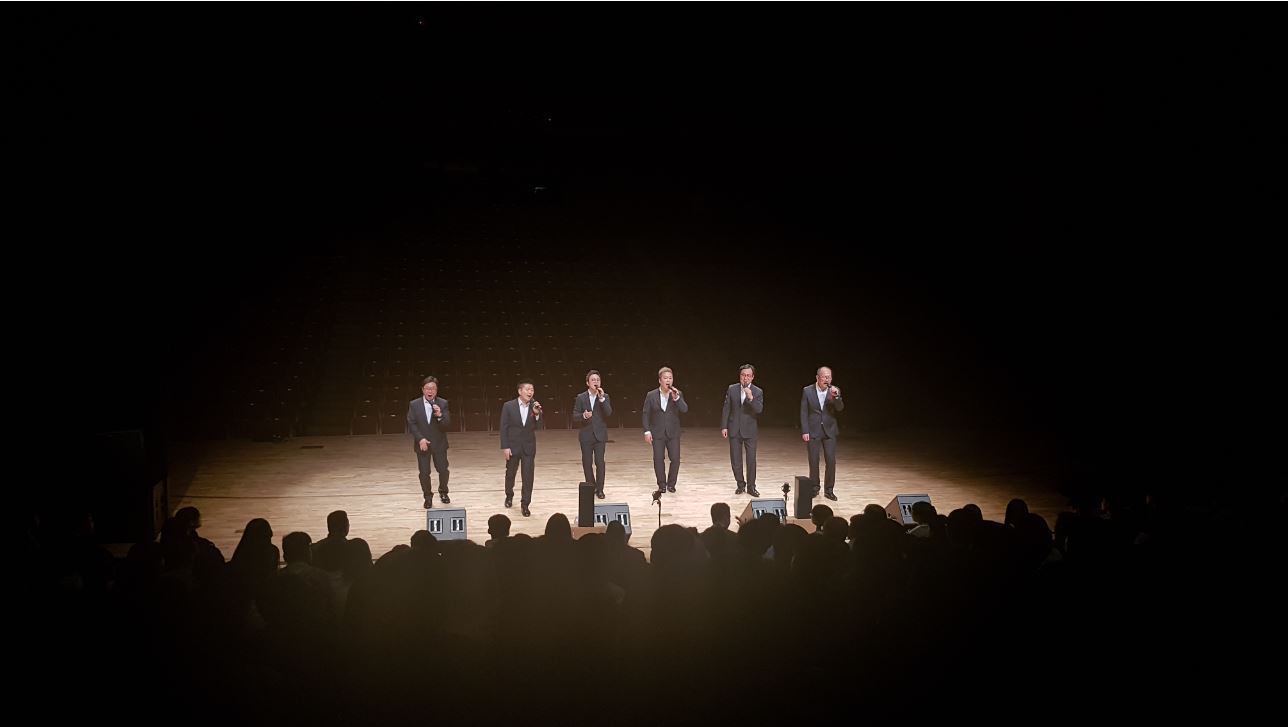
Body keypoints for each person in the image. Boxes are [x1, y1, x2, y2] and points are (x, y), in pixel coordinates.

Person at [500, 379, 544, 517]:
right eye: (527, 389)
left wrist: (537, 414)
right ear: (520, 391)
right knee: (510, 474)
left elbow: (540, 427)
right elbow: (503, 427)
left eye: (532, 390)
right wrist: (505, 446)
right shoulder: (508, 406)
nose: (530, 392)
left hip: (528, 447)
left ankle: (525, 504)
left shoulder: (535, 407)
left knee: (528, 477)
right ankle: (509, 495)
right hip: (513, 446)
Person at [800, 366, 844, 501]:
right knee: (813, 461)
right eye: (825, 377)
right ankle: (814, 487)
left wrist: (837, 397)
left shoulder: (834, 390)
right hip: (813, 430)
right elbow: (804, 411)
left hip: (829, 430)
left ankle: (829, 490)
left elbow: (840, 408)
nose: (827, 379)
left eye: (829, 377)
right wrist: (805, 430)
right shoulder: (807, 390)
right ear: (817, 378)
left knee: (831, 461)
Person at [407, 376, 451, 508]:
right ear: (423, 390)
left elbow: (446, 425)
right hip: (422, 444)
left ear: (436, 390)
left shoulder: (443, 403)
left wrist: (440, 416)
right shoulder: (414, 404)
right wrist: (420, 439)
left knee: (443, 470)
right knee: (424, 473)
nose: (430, 391)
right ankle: (427, 497)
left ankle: (443, 492)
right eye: (427, 388)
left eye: (433, 389)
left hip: (439, 444)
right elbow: (411, 424)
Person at [642, 366, 687, 494]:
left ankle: (671, 484)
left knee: (675, 459)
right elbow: (645, 414)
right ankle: (661, 485)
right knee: (658, 459)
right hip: (657, 432)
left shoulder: (677, 394)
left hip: (673, 433)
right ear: (660, 380)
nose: (668, 380)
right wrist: (647, 431)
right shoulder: (651, 395)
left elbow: (684, 409)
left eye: (670, 378)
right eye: (665, 378)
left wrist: (677, 398)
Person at [721, 363, 764, 496]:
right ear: (740, 376)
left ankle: (751, 487)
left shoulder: (757, 391)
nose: (745, 378)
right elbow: (726, 408)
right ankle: (740, 484)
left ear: (752, 377)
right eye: (743, 375)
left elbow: (759, 409)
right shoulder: (732, 389)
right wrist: (724, 426)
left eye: (748, 376)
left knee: (751, 460)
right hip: (734, 428)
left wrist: (751, 397)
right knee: (736, 460)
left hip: (750, 431)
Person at [572, 369, 613, 498]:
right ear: (587, 383)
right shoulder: (581, 397)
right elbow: (575, 416)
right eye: (593, 380)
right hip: (586, 435)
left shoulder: (604, 397)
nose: (596, 382)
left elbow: (608, 413)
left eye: (598, 380)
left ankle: (600, 489)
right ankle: (591, 486)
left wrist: (602, 399)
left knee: (600, 462)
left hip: (600, 435)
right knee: (587, 463)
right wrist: (583, 416)